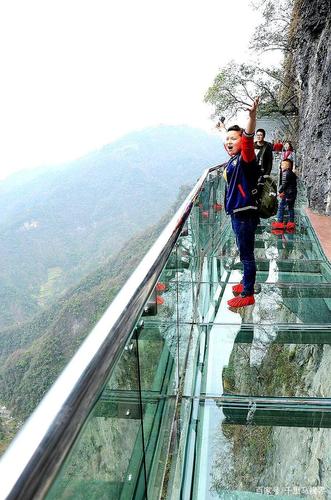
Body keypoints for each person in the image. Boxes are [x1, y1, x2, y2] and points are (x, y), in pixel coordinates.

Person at [222, 97, 260, 308]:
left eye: (233, 139)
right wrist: (224, 130)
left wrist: (252, 117)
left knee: (246, 254)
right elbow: (231, 141)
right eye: (227, 139)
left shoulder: (245, 157)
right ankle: (246, 281)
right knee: (243, 249)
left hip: (244, 213)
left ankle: (248, 293)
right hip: (238, 212)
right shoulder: (233, 159)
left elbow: (247, 140)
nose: (229, 142)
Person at [271, 159, 297, 231]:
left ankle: (279, 222)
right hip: (292, 193)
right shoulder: (291, 173)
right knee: (290, 208)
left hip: (288, 194)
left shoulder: (286, 173)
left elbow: (284, 184)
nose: (281, 166)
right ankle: (291, 223)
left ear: (288, 166)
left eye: (283, 164)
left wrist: (280, 191)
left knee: (281, 207)